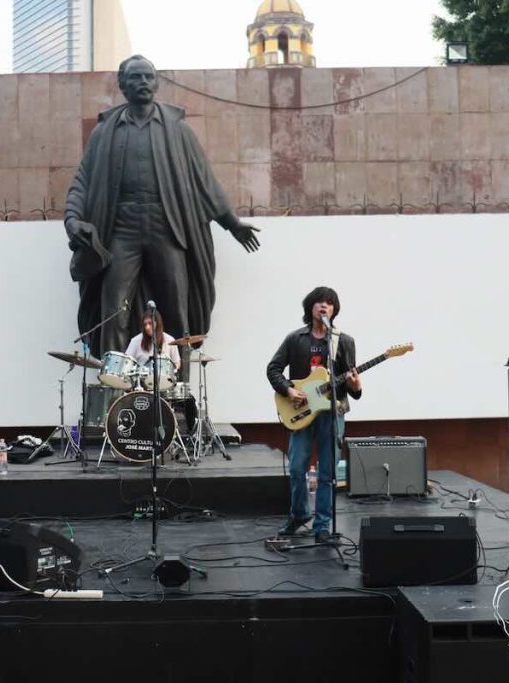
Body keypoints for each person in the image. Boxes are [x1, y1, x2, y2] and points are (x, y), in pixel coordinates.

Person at [64, 54, 261, 372]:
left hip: (166, 228)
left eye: (148, 77)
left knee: (175, 308)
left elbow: (204, 181)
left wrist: (232, 223)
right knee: (113, 308)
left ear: (156, 82)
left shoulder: (177, 130)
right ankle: (115, 384)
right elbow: (82, 184)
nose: (143, 82)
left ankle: (179, 385)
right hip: (121, 232)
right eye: (135, 77)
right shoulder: (105, 133)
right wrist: (72, 221)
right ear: (122, 84)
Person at [266, 287, 362, 542]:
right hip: (301, 411)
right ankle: (299, 514)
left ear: (334, 310)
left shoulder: (343, 341)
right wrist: (288, 390)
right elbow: (273, 369)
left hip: (332, 412)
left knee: (327, 473)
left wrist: (356, 386)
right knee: (297, 468)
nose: (324, 307)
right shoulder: (295, 339)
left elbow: (352, 386)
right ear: (310, 307)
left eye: (329, 304)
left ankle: (322, 527)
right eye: (319, 302)